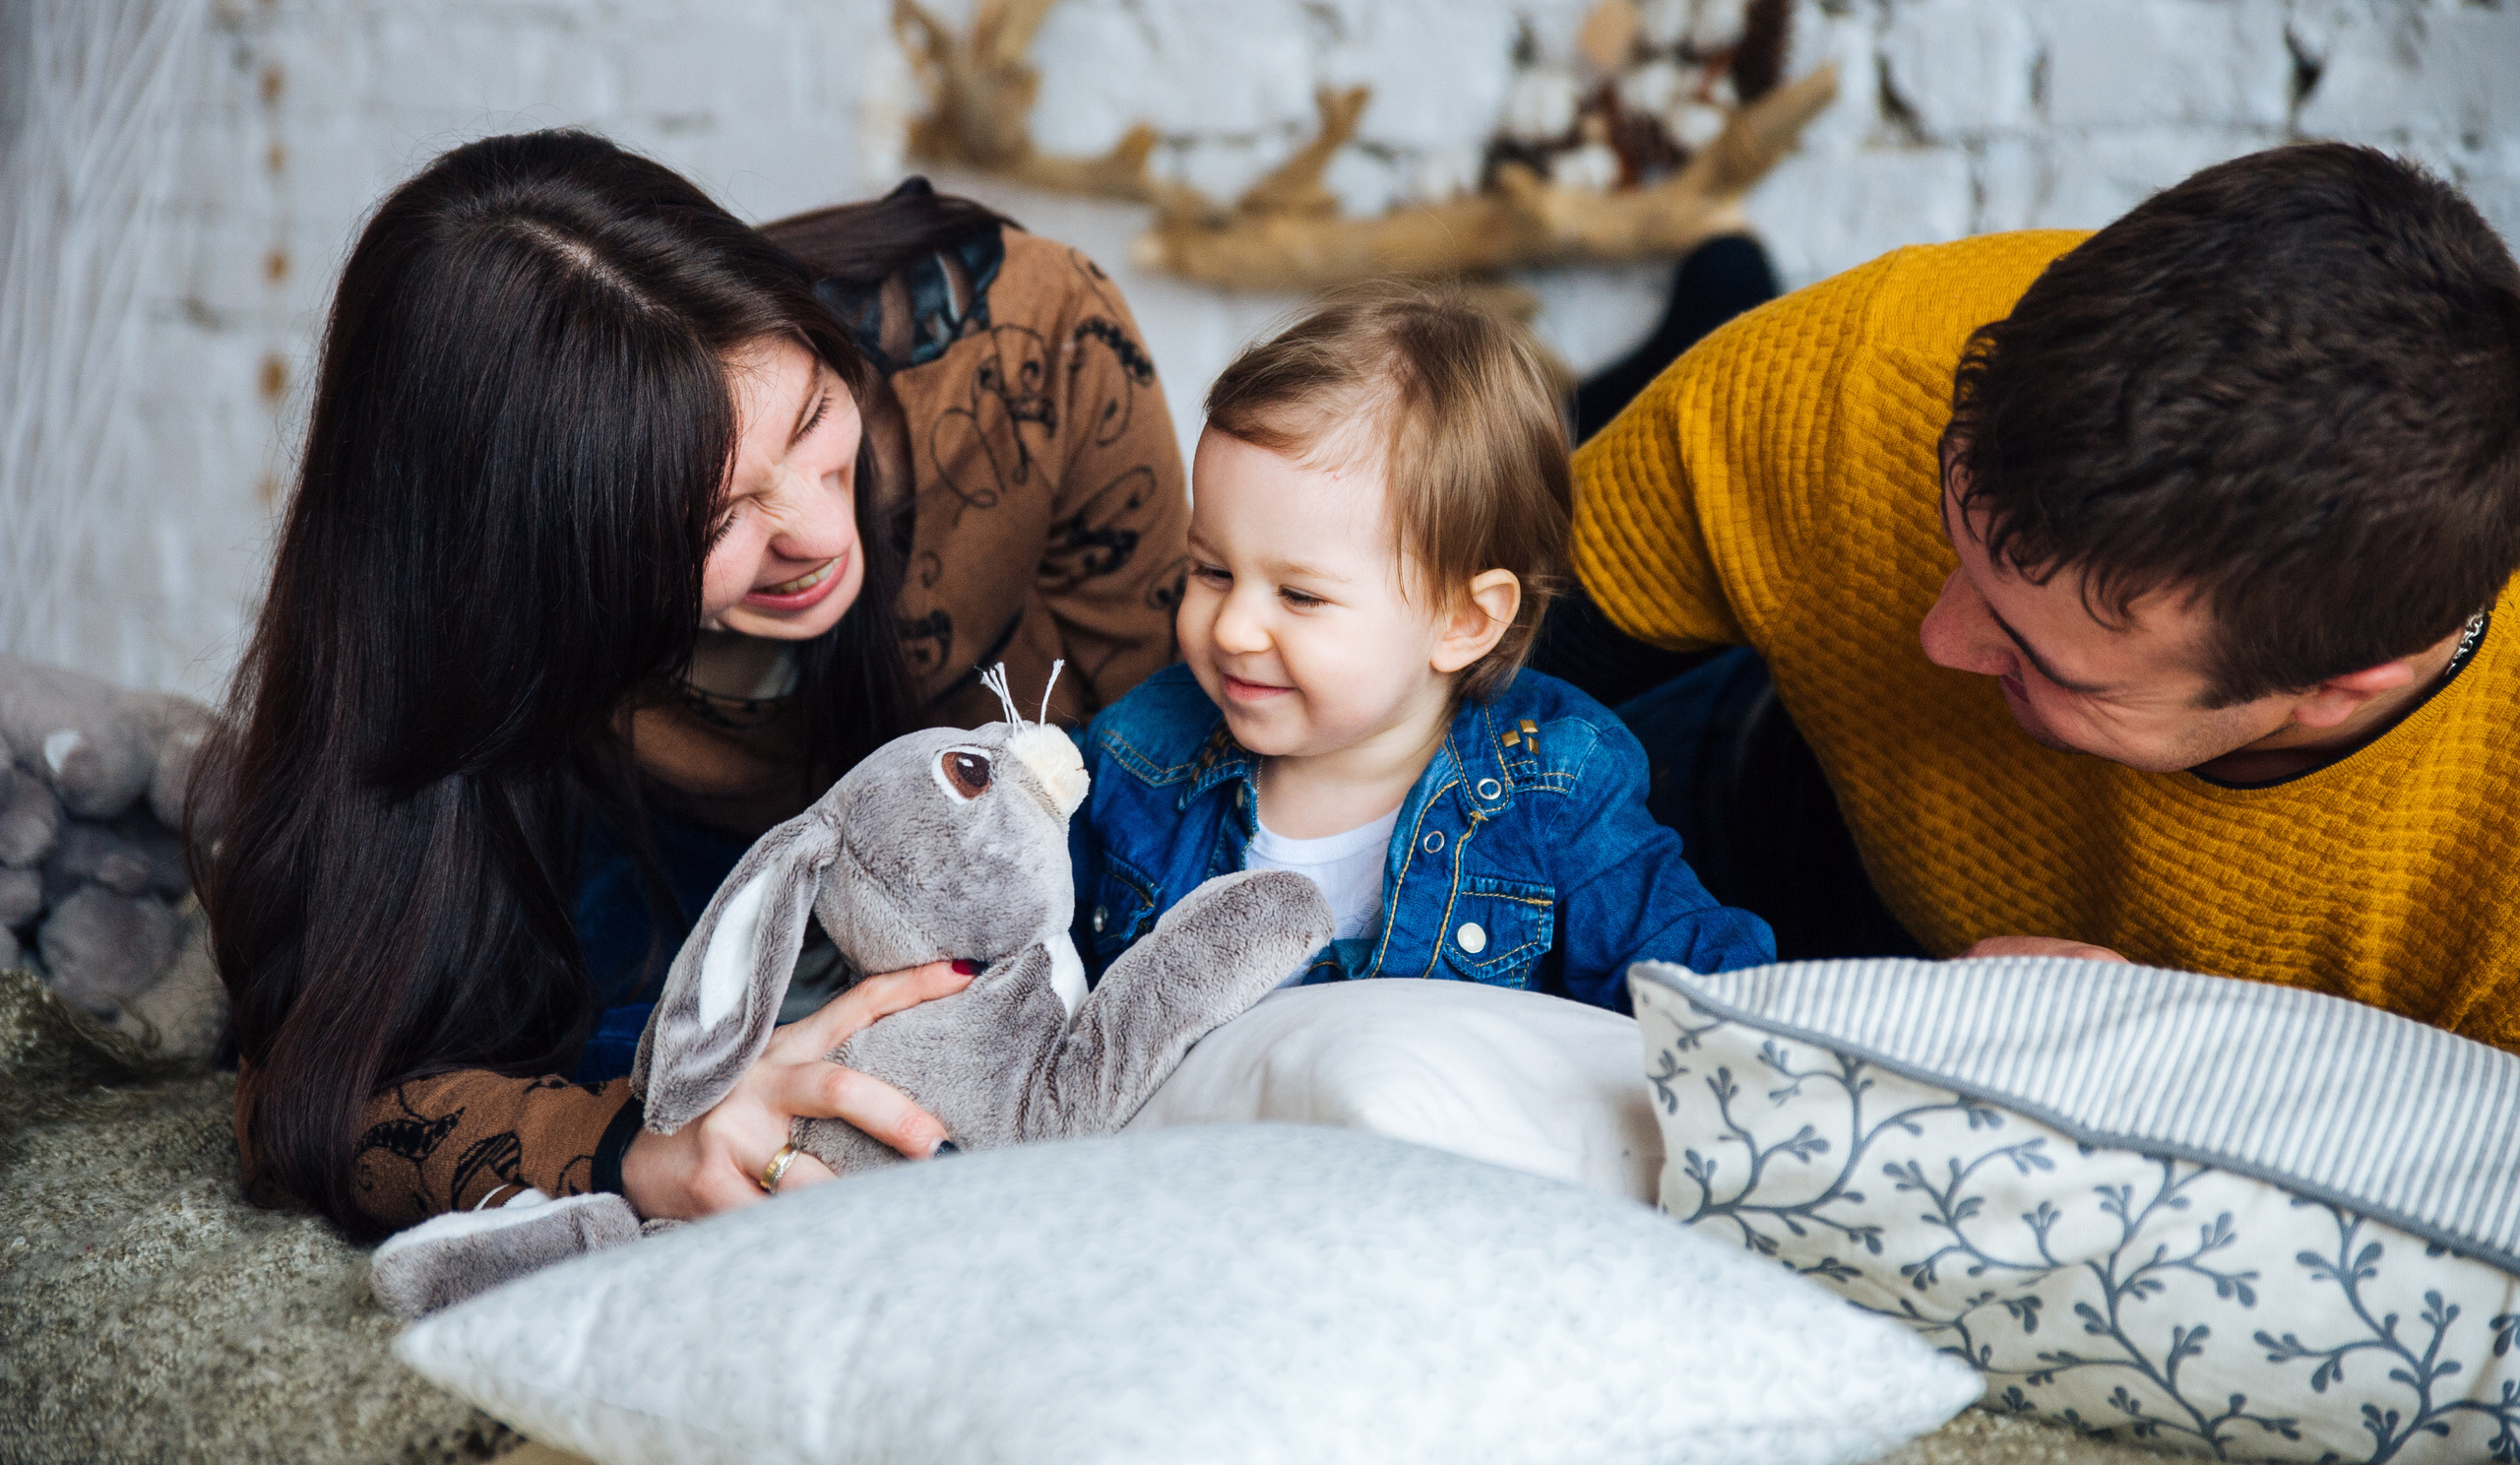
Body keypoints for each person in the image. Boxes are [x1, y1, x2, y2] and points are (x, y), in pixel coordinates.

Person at [201, 130, 1189, 1239]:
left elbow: (1168, 790)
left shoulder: (1030, 357)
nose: (821, 531)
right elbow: (316, 1100)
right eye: (711, 519)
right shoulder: (458, 666)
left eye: (815, 417)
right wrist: (633, 1147)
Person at [1550, 143, 2520, 1048]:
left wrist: (2228, 1070)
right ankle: (1657, 359)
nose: (1937, 637)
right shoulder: (1863, 369)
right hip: (1776, 790)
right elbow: (1457, 645)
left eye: (2044, 654)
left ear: (2337, 685)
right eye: (1952, 535)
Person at [1068, 289, 1774, 1012]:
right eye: (1212, 571)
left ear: (1464, 621)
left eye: (1300, 596)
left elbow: (1707, 991)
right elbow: (1012, 907)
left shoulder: (1555, 792)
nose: (1231, 629)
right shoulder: (1140, 751)